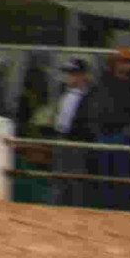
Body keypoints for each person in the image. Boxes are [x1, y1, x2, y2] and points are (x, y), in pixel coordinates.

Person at [83, 47, 130, 211]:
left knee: (124, 177)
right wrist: (95, 130)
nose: (128, 65)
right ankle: (105, 207)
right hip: (104, 134)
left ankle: (123, 209)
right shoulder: (103, 81)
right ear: (115, 63)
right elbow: (93, 107)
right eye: (125, 61)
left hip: (126, 136)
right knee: (103, 176)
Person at [48, 59, 97, 206]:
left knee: (76, 179)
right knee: (58, 177)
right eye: (69, 73)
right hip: (61, 137)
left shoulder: (90, 95)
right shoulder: (64, 91)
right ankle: (56, 208)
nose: (69, 77)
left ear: (83, 75)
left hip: (78, 140)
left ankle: (76, 209)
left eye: (74, 74)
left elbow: (90, 119)